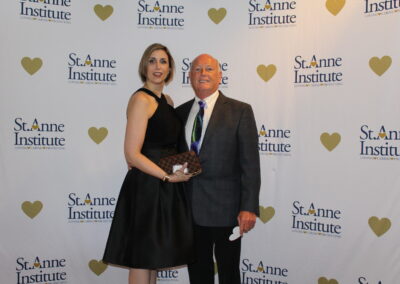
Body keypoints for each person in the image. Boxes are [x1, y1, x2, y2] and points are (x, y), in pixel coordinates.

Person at [103, 43, 194, 284]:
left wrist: (181, 169)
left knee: (153, 260)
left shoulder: (168, 100)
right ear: (144, 65)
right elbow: (132, 154)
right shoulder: (140, 100)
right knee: (143, 259)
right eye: (152, 60)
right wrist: (166, 176)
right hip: (147, 187)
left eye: (163, 61)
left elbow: (168, 147)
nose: (158, 66)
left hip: (165, 188)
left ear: (170, 68)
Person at [176, 54, 261, 284]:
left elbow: (250, 164)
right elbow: (175, 159)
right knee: (198, 275)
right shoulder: (179, 113)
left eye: (209, 69)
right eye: (197, 69)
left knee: (229, 274)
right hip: (189, 211)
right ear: (190, 76)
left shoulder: (240, 111)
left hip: (228, 210)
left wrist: (249, 207)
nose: (203, 73)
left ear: (219, 76)